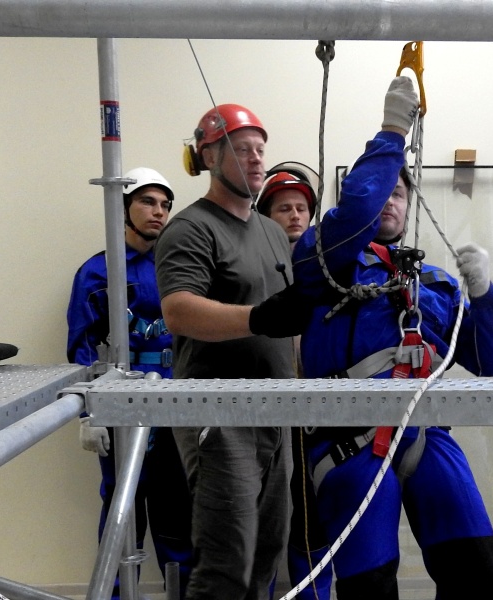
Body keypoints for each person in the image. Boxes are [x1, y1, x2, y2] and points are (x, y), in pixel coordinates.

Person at [292, 76, 493, 600]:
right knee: (370, 590)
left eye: (398, 193)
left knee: (481, 578)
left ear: (409, 205)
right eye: (381, 191)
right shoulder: (325, 262)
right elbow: (356, 214)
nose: (389, 201)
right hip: (350, 444)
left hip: (425, 436)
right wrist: (392, 131)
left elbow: (490, 361)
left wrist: (485, 295)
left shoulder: (433, 284)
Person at [154, 103, 302, 600]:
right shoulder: (190, 228)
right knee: (226, 561)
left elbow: (289, 322)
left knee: (267, 552)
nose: (257, 159)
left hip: (278, 411)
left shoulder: (273, 232)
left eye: (260, 149)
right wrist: (256, 318)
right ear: (209, 156)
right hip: (219, 414)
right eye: (242, 149)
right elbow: (179, 311)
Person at [66, 167, 193, 600]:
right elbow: (81, 349)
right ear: (123, 208)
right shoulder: (97, 273)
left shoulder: (177, 269)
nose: (159, 212)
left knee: (177, 511)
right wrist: (89, 414)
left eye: (165, 205)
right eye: (147, 202)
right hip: (120, 407)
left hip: (176, 405)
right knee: (122, 510)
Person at [257, 164, 333, 600]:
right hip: (260, 411)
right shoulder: (248, 268)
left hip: (314, 416)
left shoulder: (327, 269)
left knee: (310, 520)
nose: (295, 215)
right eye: (284, 208)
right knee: (260, 522)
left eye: (301, 208)